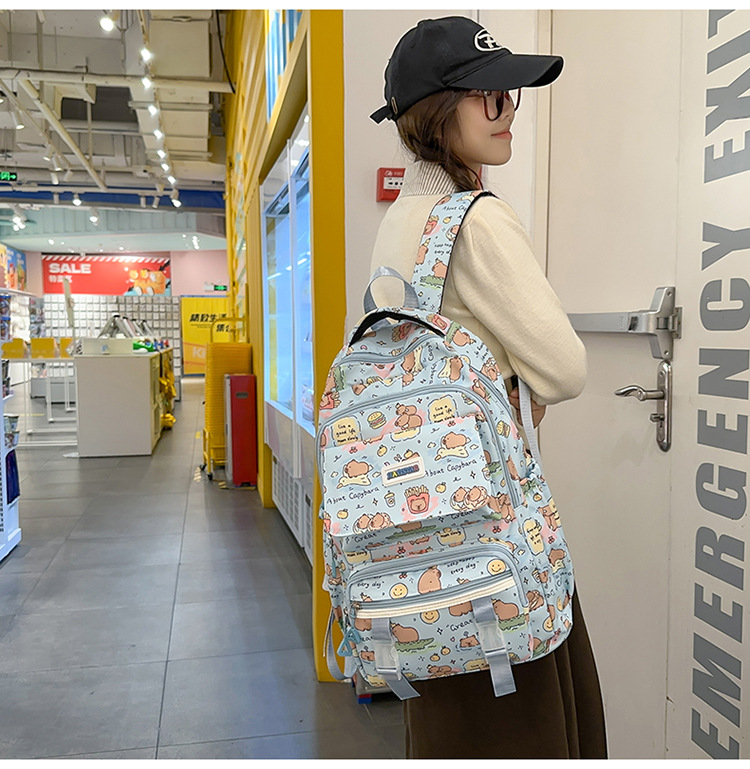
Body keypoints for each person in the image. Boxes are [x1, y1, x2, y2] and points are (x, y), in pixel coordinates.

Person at [368, 16, 607, 759]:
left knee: (452, 712)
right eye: (490, 96)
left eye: (510, 95)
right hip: (490, 531)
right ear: (438, 112)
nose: (508, 111)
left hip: (415, 536)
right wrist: (521, 384)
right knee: (520, 715)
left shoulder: (400, 221)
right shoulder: (478, 220)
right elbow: (564, 367)